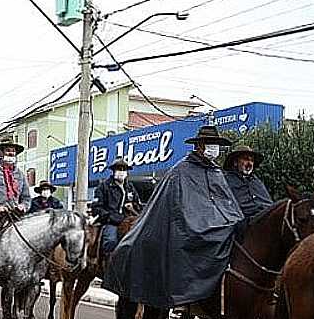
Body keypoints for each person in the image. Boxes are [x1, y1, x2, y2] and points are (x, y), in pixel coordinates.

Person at [102, 124, 244, 308]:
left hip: (214, 227)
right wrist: (206, 224)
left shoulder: (216, 172)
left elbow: (227, 205)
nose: (213, 148)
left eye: (215, 144)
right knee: (109, 239)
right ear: (199, 146)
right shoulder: (181, 171)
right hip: (186, 227)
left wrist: (233, 221)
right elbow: (182, 209)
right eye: (210, 143)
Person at [90, 157, 143, 255]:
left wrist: (133, 207)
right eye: (118, 169)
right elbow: (96, 208)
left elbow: (138, 206)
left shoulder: (130, 187)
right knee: (111, 241)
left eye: (124, 169)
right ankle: (108, 265)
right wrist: (111, 217)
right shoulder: (103, 186)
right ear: (113, 171)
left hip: (129, 221)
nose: (121, 172)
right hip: (111, 222)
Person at [222, 145, 273, 219]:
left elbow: (268, 204)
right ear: (235, 162)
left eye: (252, 160)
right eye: (245, 159)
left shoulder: (256, 181)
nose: (250, 163)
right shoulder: (226, 180)